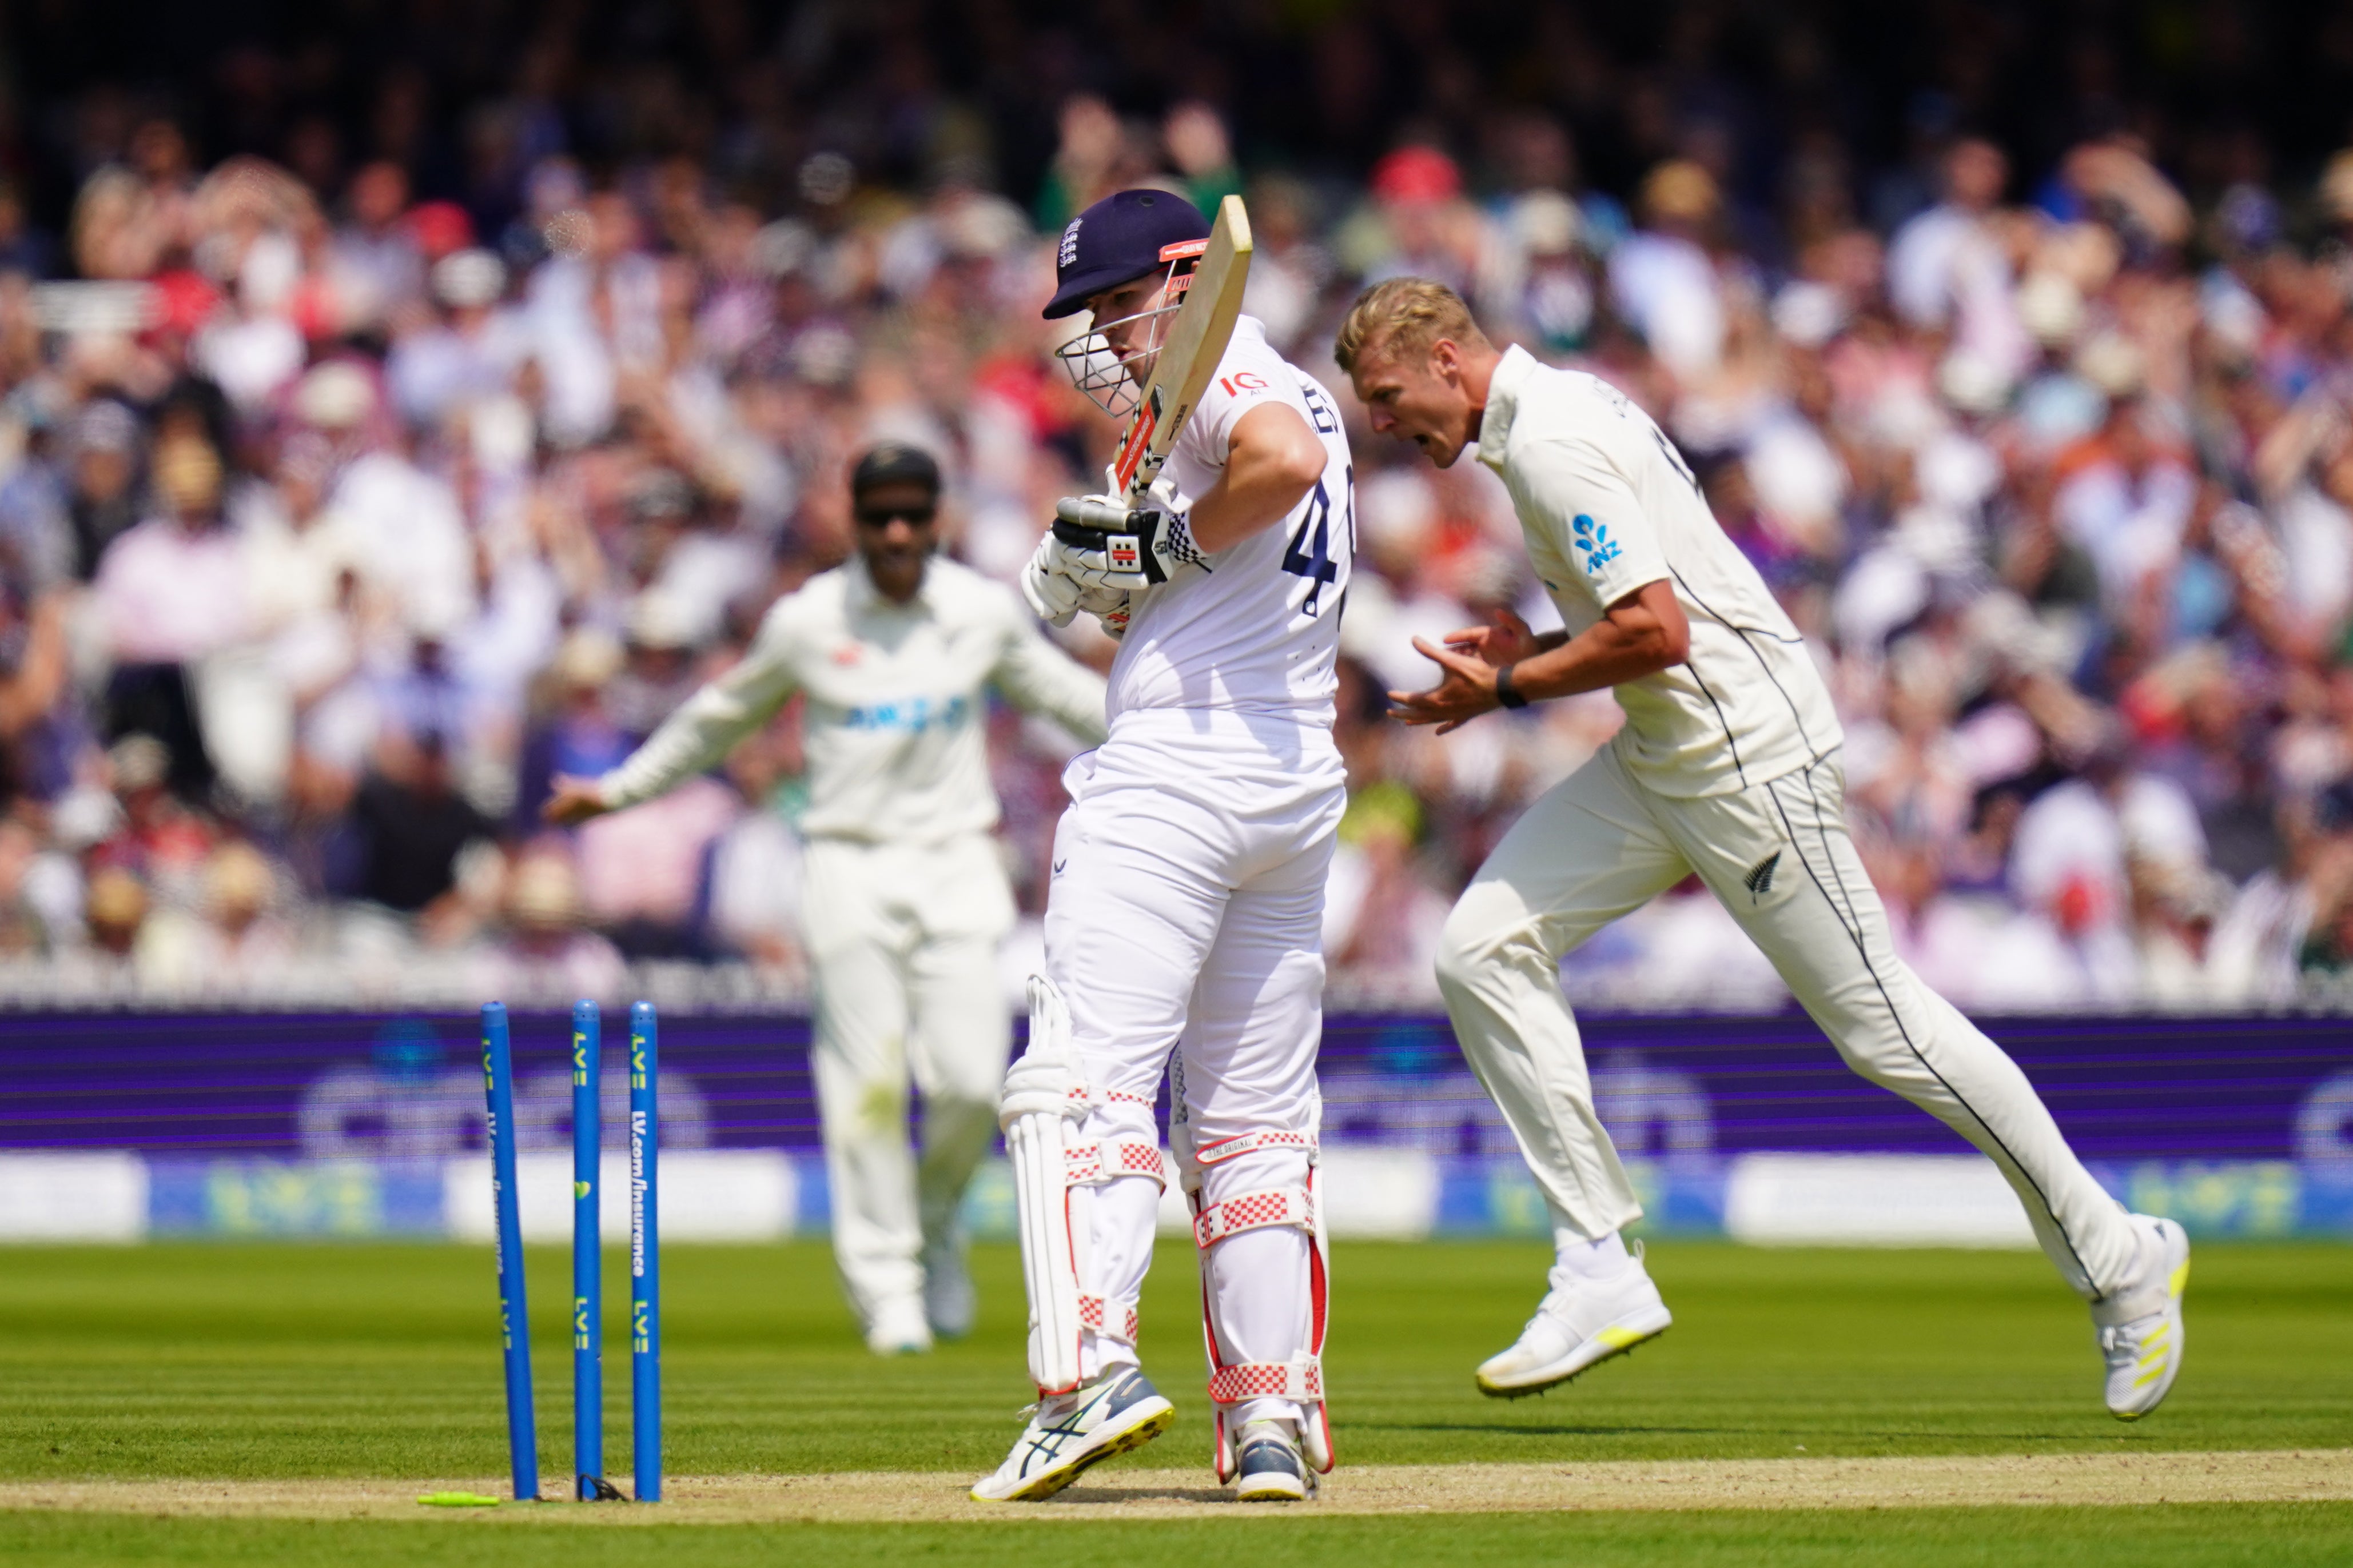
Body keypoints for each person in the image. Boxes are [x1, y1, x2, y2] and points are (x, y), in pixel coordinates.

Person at [1333, 277, 2189, 1423]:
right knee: (1481, 947)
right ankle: (1600, 1261)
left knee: (1889, 1033)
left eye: (1388, 396)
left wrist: (1510, 683)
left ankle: (2122, 1257)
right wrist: (1536, 647)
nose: (1382, 424)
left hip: (1748, 761)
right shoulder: (1546, 418)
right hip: (1665, 750)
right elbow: (1647, 609)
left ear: (1446, 360)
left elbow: (1659, 629)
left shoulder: (1553, 444)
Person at [544, 442, 1108, 1355]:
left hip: (959, 865)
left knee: (970, 1082)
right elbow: (717, 719)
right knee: (868, 1088)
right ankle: (887, 1288)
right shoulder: (809, 620)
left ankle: (936, 1226)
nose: (895, 532)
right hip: (847, 866)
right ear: (852, 521)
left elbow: (1069, 698)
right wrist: (619, 792)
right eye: (878, 515)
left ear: (939, 521)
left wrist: (1193, 742)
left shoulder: (976, 612)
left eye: (912, 516)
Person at [971, 189, 1356, 1504]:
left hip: (1175, 790)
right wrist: (1125, 578)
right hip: (1290, 787)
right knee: (1250, 1124)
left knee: (1080, 1083)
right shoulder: (1273, 383)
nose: (1090, 334)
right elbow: (1226, 548)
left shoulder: (1223, 364)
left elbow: (1274, 468)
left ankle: (1085, 1375)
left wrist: (1171, 539)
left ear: (1186, 278)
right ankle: (1271, 1422)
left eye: (1110, 302)